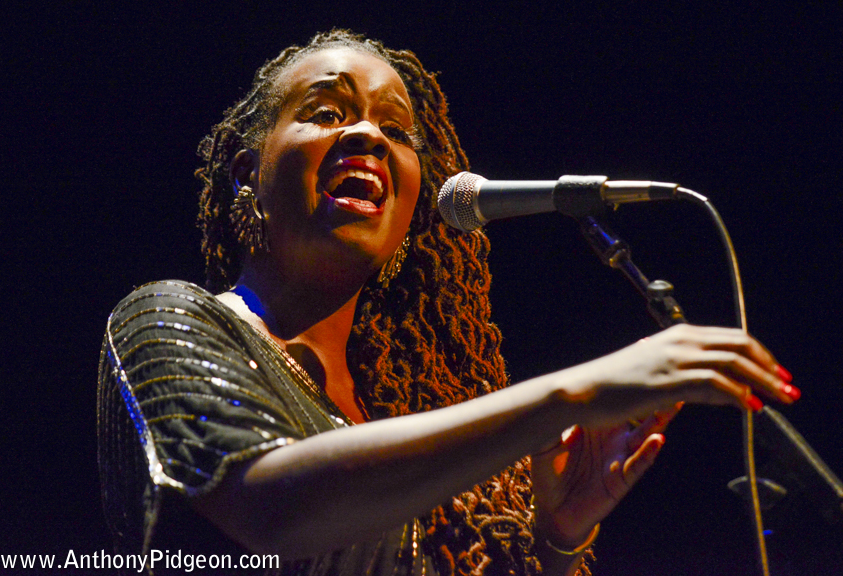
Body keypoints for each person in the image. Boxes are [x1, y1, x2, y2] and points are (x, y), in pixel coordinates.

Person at [98, 30, 800, 576]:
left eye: (396, 128)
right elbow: (268, 504)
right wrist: (570, 394)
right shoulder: (168, 317)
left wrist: (559, 539)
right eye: (325, 112)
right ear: (247, 173)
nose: (368, 133)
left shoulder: (408, 420)